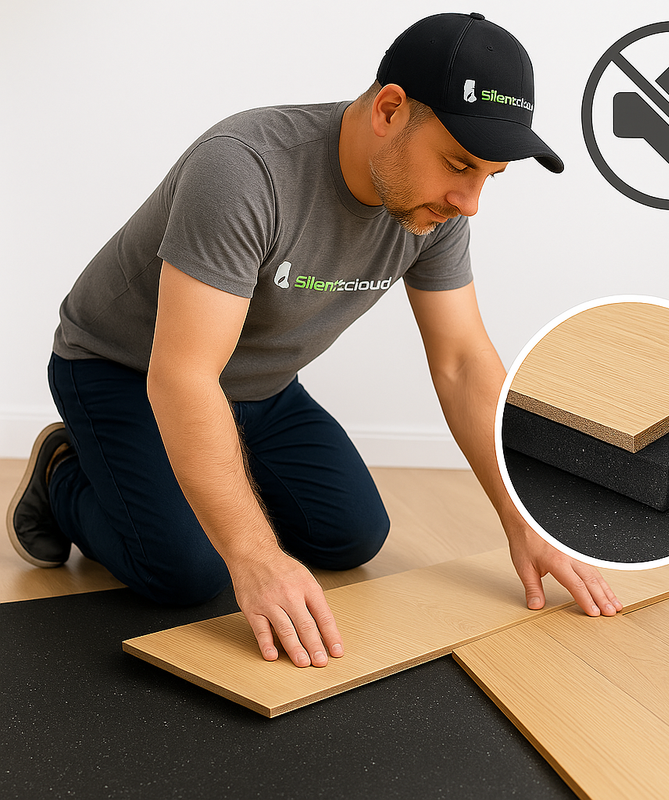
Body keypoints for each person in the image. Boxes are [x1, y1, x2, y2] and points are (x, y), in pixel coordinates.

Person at [7, 12, 621, 669]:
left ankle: (195, 486)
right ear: (389, 110)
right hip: (123, 370)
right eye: (458, 165)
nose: (469, 202)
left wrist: (525, 516)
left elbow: (463, 361)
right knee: (188, 572)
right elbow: (183, 376)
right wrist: (253, 554)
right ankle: (63, 472)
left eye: (489, 177)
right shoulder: (245, 169)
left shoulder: (435, 209)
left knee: (352, 535)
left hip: (258, 387)